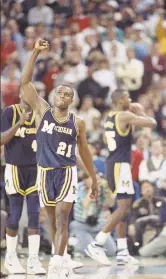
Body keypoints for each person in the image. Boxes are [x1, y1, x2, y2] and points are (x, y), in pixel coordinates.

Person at [20, 39, 99, 279]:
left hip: (66, 172)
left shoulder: (78, 122)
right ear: (54, 96)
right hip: (44, 172)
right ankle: (62, 257)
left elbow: (84, 151)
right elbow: (25, 82)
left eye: (67, 94)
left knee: (64, 217)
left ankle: (55, 264)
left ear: (71, 101)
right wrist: (35, 52)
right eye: (60, 92)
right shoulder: (41, 111)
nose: (63, 95)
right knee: (53, 220)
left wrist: (93, 178)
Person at [86, 91, 157, 266]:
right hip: (120, 166)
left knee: (123, 210)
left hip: (114, 163)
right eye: (129, 98)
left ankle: (123, 251)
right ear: (121, 100)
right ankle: (97, 243)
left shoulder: (109, 117)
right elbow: (152, 123)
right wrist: (140, 111)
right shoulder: (125, 115)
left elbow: (106, 137)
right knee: (123, 209)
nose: (131, 101)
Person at [1, 97, 46, 275]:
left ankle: (33, 260)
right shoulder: (10, 112)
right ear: (21, 94)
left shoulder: (41, 113)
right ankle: (11, 258)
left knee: (35, 215)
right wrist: (20, 122)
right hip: (14, 168)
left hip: (35, 169)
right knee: (15, 214)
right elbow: (1, 139)